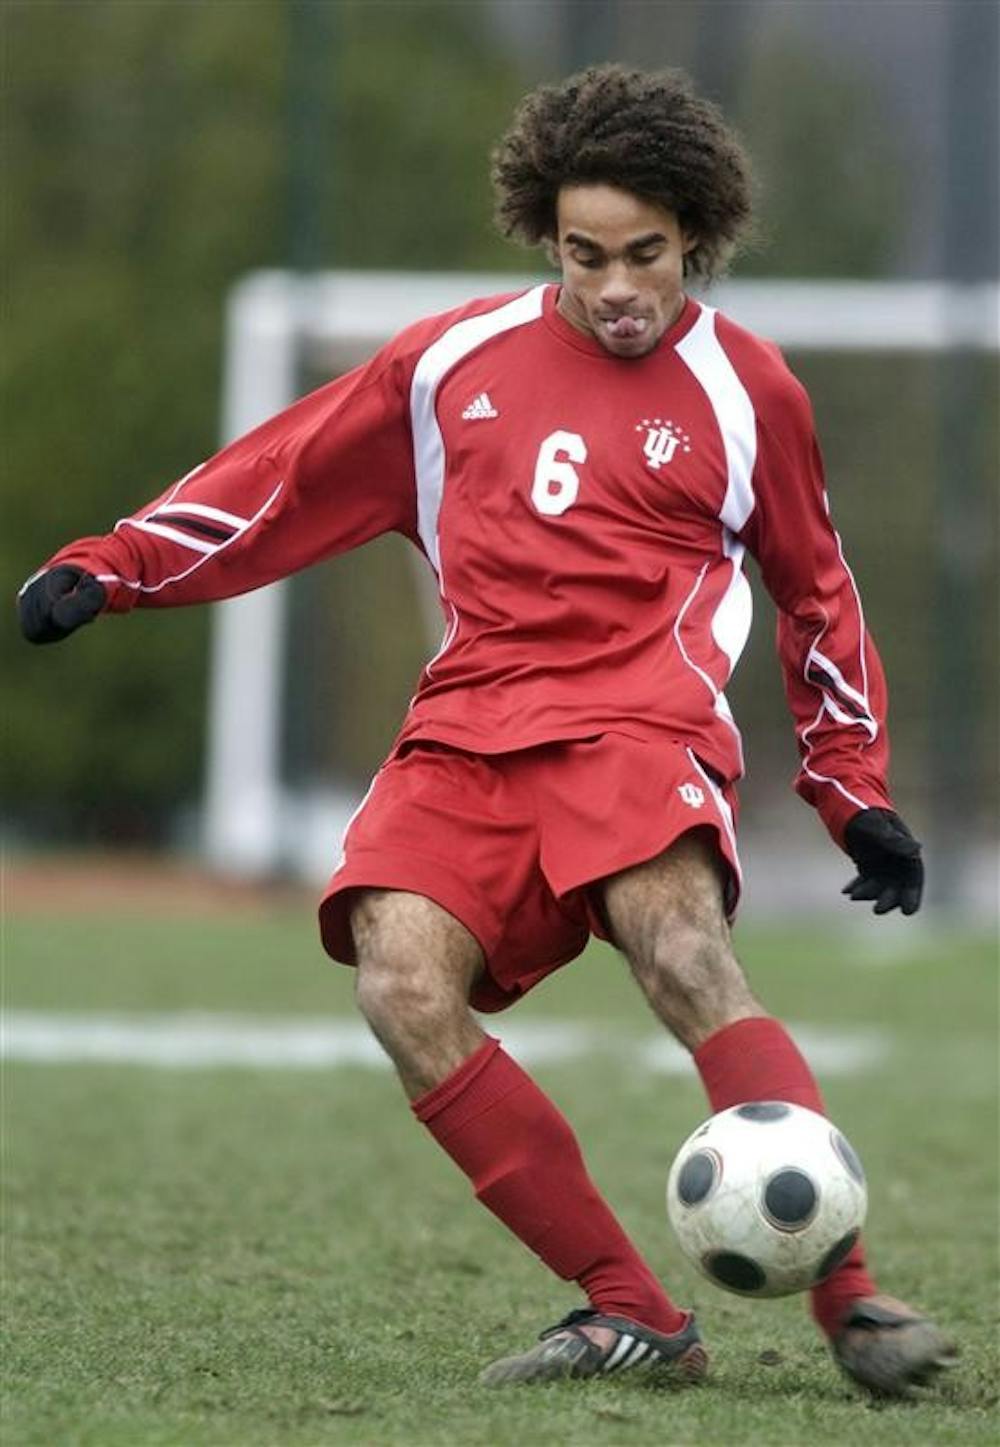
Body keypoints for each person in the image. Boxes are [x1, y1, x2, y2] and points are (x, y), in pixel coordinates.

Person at [19, 64, 953, 1396]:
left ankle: (851, 1303)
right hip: (468, 729)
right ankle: (631, 1309)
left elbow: (817, 593)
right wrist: (112, 565)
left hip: (640, 718)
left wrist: (849, 788)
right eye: (587, 256)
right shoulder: (448, 364)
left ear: (695, 235)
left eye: (646, 255)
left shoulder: (754, 395)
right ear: (546, 238)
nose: (618, 287)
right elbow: (278, 483)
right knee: (400, 988)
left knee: (682, 950)